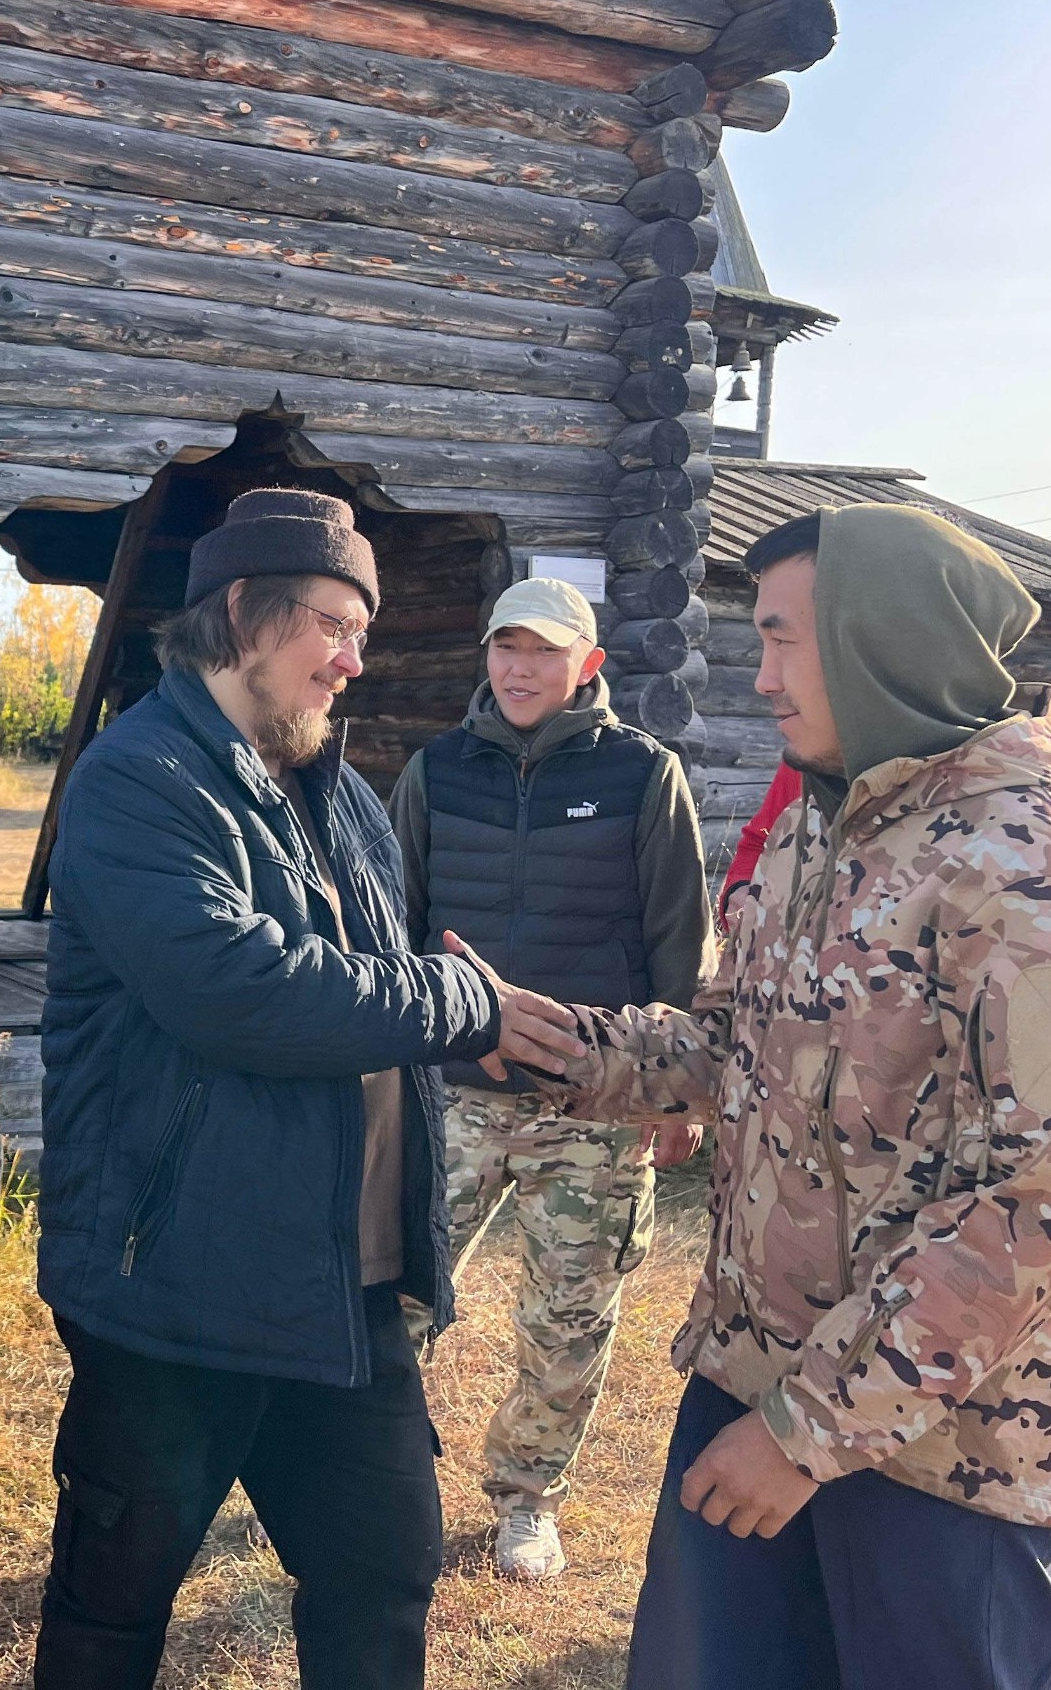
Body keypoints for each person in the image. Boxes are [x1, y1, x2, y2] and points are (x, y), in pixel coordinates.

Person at [474, 505, 1051, 1690]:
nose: (760, 678)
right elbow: (732, 1045)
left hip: (930, 1454)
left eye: (783, 639)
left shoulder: (1038, 866)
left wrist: (807, 1433)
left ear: (877, 639)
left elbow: (1034, 1203)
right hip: (751, 1383)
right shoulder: (814, 822)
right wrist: (560, 1046)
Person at [31, 487, 546, 1690]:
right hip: (172, 1279)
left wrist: (459, 1018)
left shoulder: (344, 794)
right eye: (331, 625)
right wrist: (461, 1003)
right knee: (114, 1601)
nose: (353, 660)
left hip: (340, 1285)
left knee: (384, 1576)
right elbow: (241, 990)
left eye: (362, 631)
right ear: (239, 616)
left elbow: (376, 986)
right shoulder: (137, 777)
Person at [387, 576, 713, 1583]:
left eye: (544, 652)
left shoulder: (642, 774)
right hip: (451, 1092)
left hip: (594, 1105)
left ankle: (527, 1498)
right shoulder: (436, 771)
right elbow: (394, 926)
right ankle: (367, 1475)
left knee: (569, 1314)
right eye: (506, 648)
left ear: (589, 664)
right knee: (391, 1294)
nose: (520, 670)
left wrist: (677, 1094)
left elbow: (678, 934)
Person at [717, 687, 1051, 926]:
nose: (767, 680)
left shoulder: (1042, 745)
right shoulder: (823, 749)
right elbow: (756, 845)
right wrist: (741, 894)